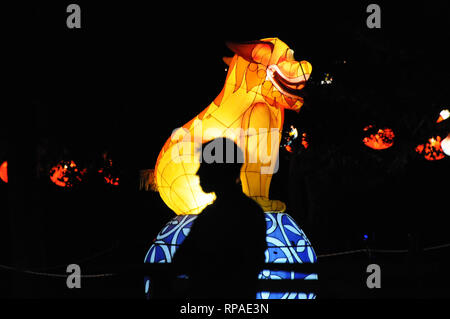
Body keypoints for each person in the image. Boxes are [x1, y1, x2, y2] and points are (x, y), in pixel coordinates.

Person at [172, 138, 267, 299]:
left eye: (204, 165)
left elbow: (181, 261)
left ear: (219, 169)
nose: (198, 172)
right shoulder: (250, 211)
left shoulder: (212, 215)